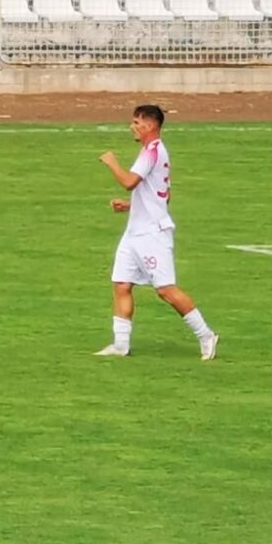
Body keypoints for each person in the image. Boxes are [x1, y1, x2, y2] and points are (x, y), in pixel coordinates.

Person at [97, 103, 217, 361]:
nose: (133, 127)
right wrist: (131, 207)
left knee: (165, 290)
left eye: (136, 123)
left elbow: (129, 182)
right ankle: (120, 345)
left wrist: (112, 163)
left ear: (150, 125)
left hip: (152, 234)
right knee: (121, 284)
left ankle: (206, 335)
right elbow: (164, 195)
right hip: (135, 233)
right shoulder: (153, 153)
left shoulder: (152, 152)